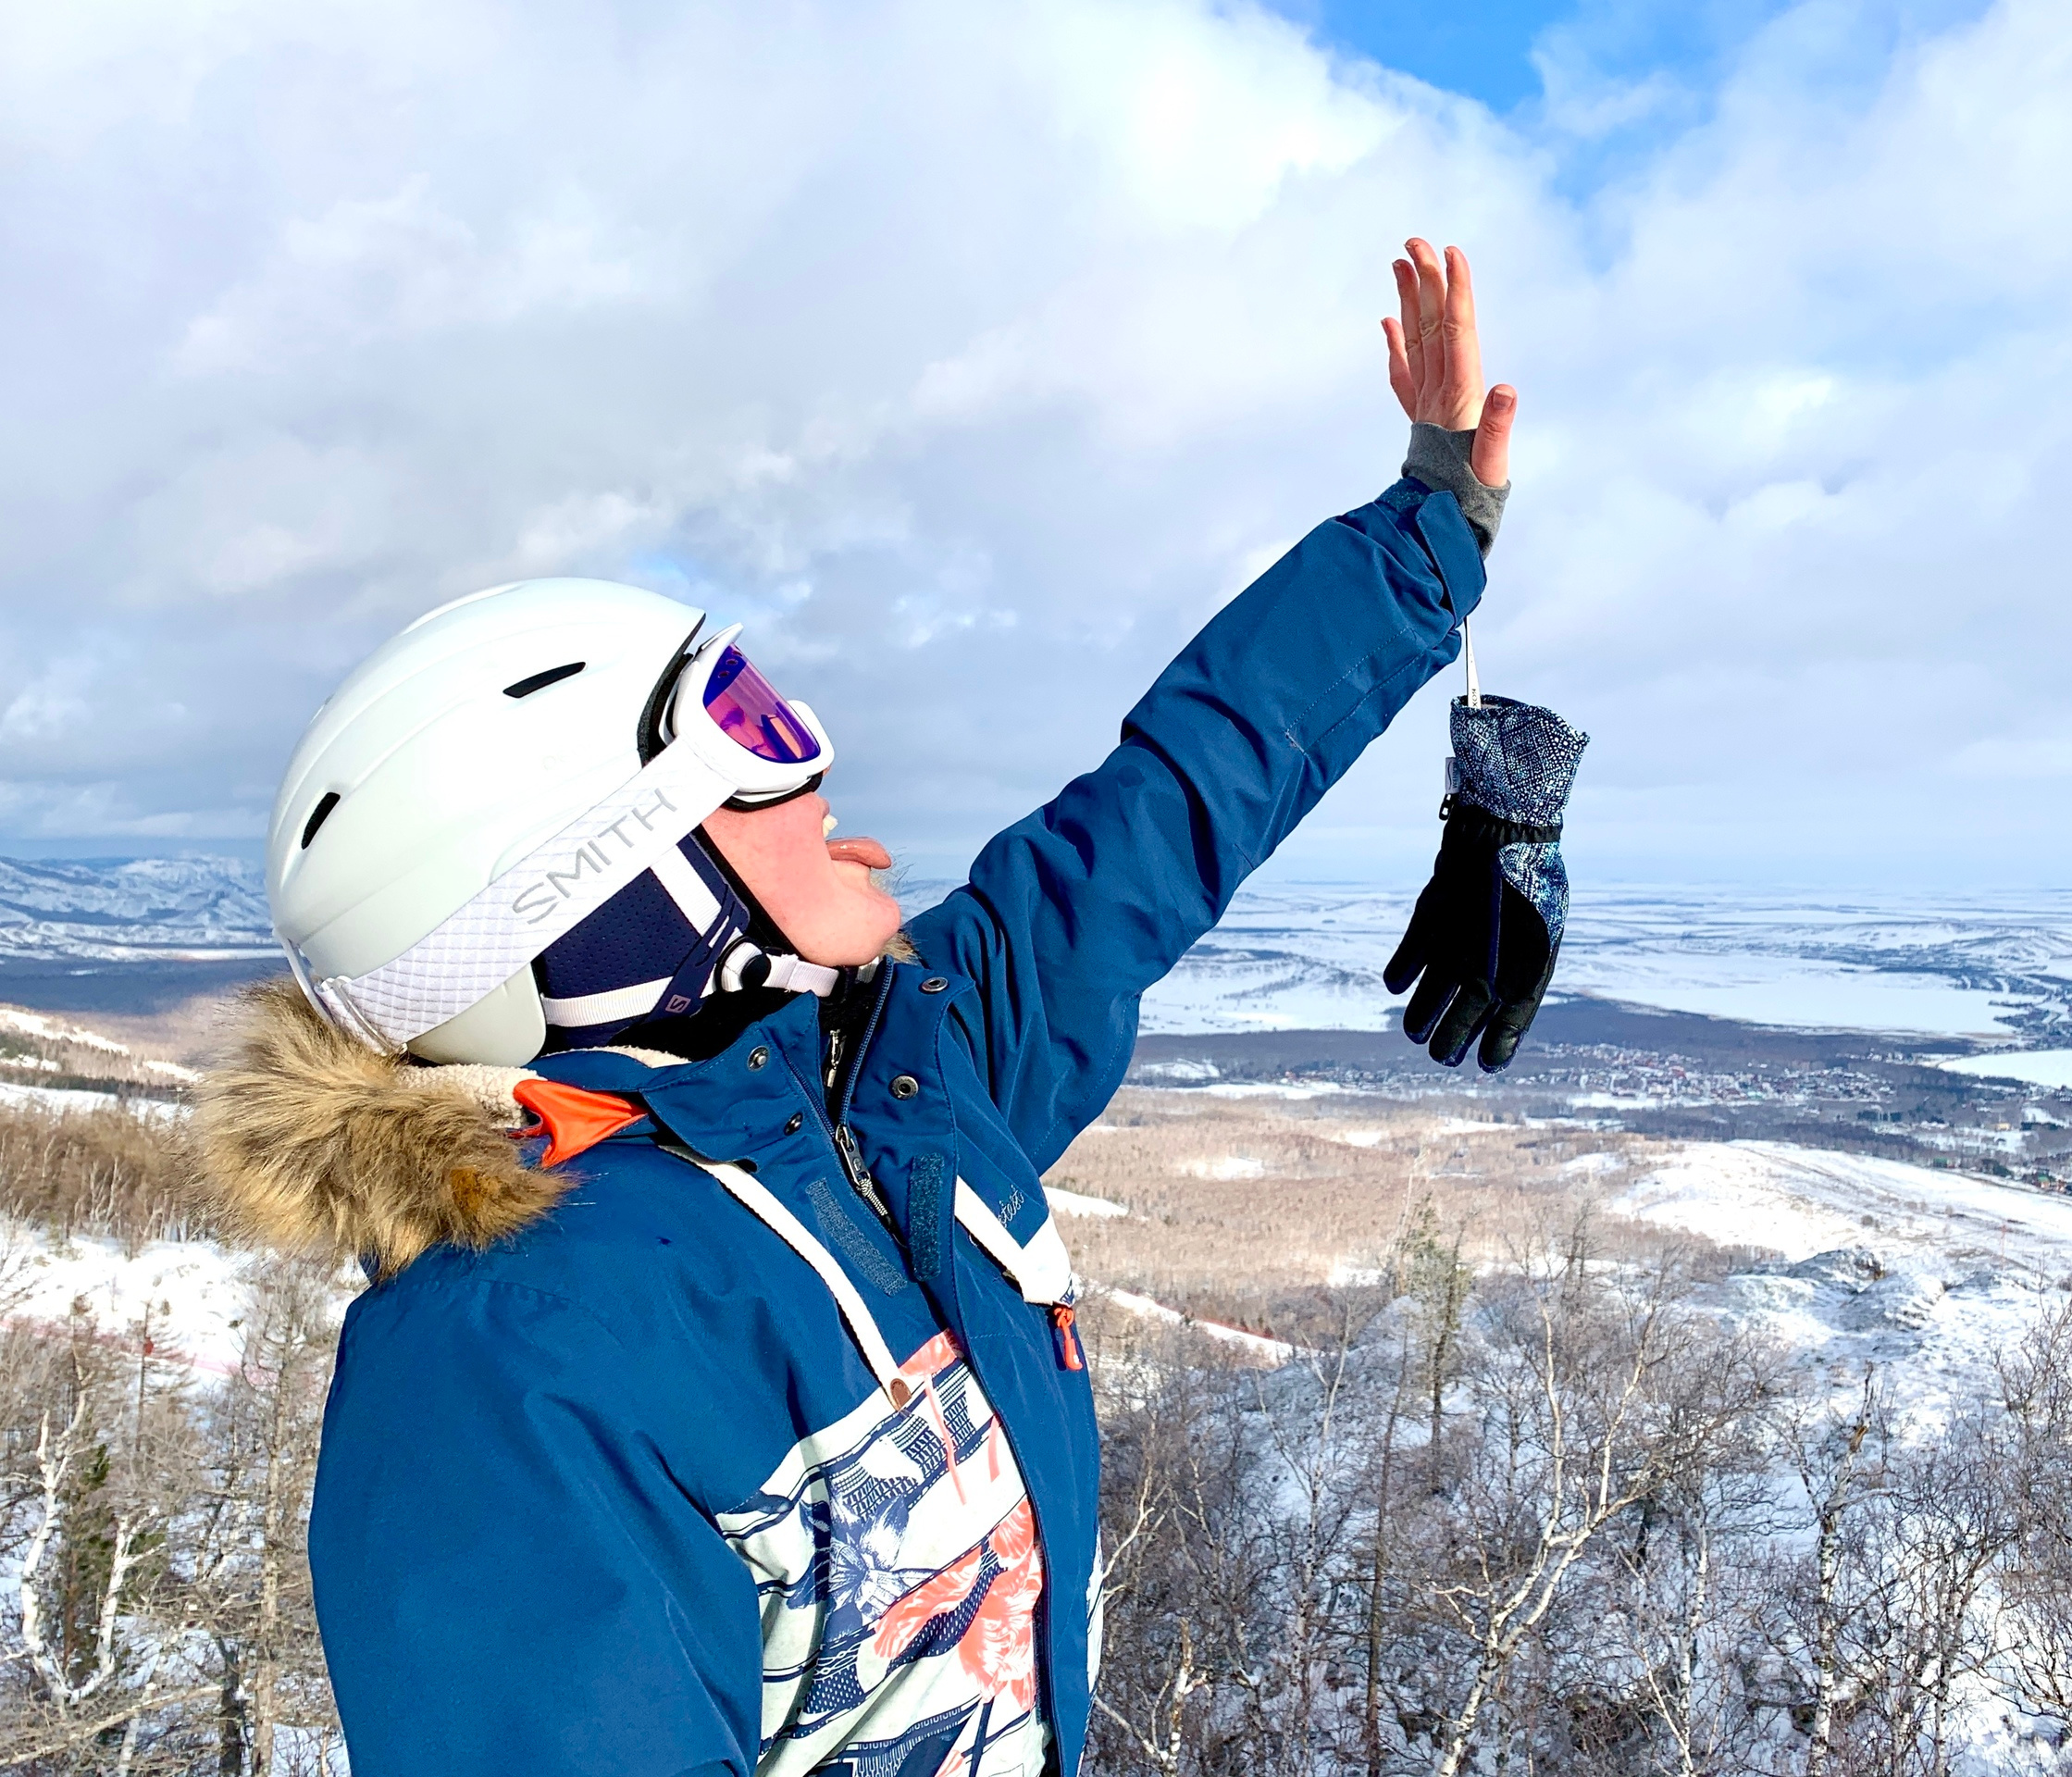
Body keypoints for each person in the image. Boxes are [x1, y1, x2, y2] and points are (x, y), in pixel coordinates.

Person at [197, 240, 1517, 1777]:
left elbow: (1159, 810)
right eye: (754, 738)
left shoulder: (892, 1089)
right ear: (609, 885)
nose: (823, 782)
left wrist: (1427, 527)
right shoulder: (496, 1374)